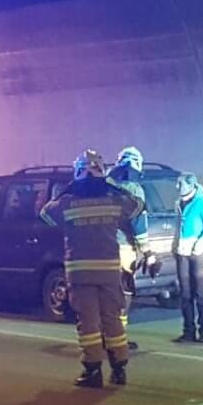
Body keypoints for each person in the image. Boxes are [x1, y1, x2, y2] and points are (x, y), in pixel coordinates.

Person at [41, 150, 140, 388]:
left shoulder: (66, 203)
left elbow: (45, 213)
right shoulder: (113, 200)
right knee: (112, 319)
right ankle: (119, 369)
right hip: (109, 271)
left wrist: (66, 189)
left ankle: (93, 371)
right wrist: (112, 186)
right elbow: (137, 205)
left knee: (88, 323)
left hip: (80, 272)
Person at [107, 145, 149, 346]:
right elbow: (138, 222)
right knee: (125, 290)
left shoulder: (106, 183)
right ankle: (119, 336)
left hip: (103, 246)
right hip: (124, 247)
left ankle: (105, 334)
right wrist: (147, 251)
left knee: (106, 292)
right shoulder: (134, 189)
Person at [172, 171, 203, 343]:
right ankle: (188, 331)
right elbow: (179, 227)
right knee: (185, 294)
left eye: (181, 183)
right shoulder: (179, 203)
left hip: (199, 254)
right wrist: (175, 246)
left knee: (200, 293)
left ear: (191, 185)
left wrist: (199, 246)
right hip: (182, 253)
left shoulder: (202, 203)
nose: (177, 187)